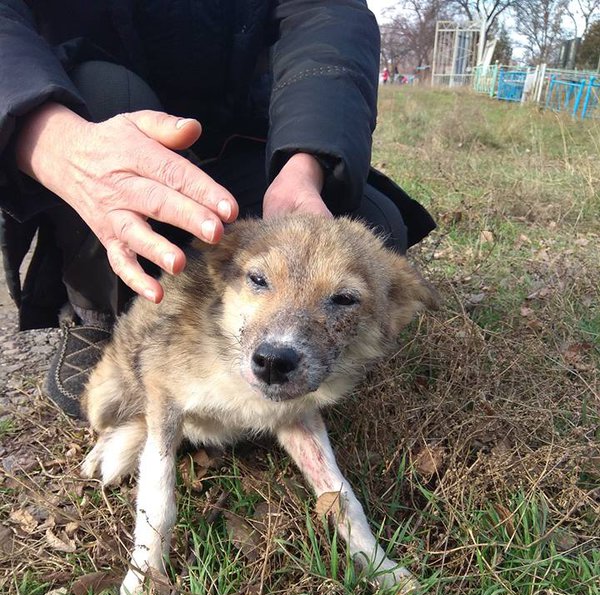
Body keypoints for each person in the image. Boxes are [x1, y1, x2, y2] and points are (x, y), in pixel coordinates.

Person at [0, 1, 435, 417]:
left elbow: (327, 15)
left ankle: (245, 339)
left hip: (245, 131)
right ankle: (96, 311)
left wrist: (305, 160)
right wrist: (48, 137)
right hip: (96, 114)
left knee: (377, 227)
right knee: (105, 89)